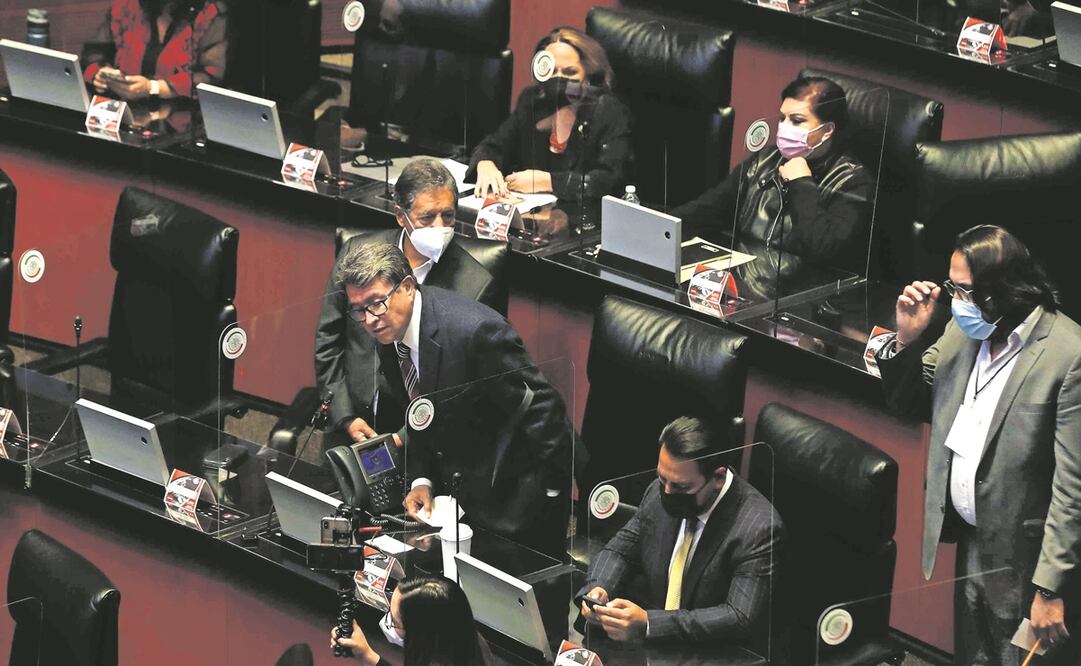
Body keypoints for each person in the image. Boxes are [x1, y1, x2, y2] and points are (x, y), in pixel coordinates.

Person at [878, 225, 1080, 665]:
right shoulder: (965, 329)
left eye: (966, 290)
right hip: (971, 544)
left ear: (1005, 289)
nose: (957, 301)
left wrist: (1051, 589)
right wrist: (909, 337)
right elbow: (911, 399)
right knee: (974, 657)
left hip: (1027, 565)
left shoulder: (1069, 355)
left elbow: (1072, 489)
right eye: (953, 287)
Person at [337, 242, 572, 555]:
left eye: (376, 303)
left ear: (407, 287)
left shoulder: (476, 332)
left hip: (515, 500)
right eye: (358, 310)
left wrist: (552, 493)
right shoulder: (390, 331)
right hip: (461, 497)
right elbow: (420, 411)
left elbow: (544, 408)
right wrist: (423, 480)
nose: (368, 319)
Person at [315, 159, 502, 444]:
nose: (440, 227)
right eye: (427, 217)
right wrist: (345, 416)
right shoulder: (357, 252)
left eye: (448, 216)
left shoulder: (476, 285)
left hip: (428, 436)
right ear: (400, 216)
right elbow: (328, 338)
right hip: (352, 417)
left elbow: (466, 385)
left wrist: (406, 437)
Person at [578, 417, 783, 657]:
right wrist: (599, 588)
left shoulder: (759, 527)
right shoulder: (659, 491)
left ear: (718, 477)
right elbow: (620, 550)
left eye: (681, 487)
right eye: (662, 479)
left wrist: (649, 623)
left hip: (716, 654)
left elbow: (738, 617)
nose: (666, 492)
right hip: (655, 652)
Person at [671, 76, 873, 273]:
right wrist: (662, 228)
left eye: (797, 120)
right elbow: (707, 209)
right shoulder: (765, 159)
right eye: (782, 118)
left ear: (827, 129)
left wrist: (802, 183)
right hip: (747, 276)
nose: (784, 127)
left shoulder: (853, 181)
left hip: (804, 293)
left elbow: (821, 249)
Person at [467, 27, 632, 202]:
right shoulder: (531, 101)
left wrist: (548, 182)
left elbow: (609, 180)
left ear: (589, 75)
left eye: (570, 72)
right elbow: (494, 145)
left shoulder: (609, 110)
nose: (559, 79)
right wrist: (485, 164)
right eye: (551, 71)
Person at [331, 575, 494, 665]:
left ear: (420, 634)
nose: (390, 625)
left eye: (395, 623)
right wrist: (366, 654)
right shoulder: (465, 638)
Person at [81, 0, 227, 101]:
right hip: (123, 114)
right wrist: (101, 74)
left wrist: (152, 88)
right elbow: (94, 52)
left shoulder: (212, 13)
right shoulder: (127, 4)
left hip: (185, 123)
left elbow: (212, 79)